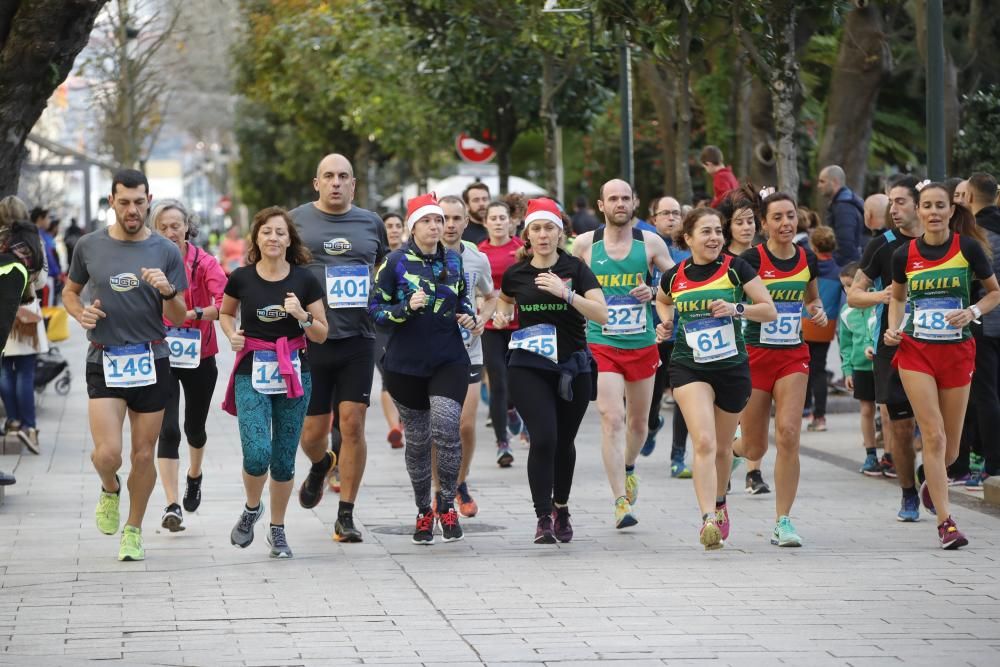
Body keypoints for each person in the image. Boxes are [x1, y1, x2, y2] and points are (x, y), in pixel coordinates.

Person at [63, 169, 189, 562]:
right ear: (112, 202)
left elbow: (181, 316)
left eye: (138, 201)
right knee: (108, 455)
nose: (132, 209)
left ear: (148, 199)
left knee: (141, 455)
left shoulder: (166, 251)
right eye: (124, 202)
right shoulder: (89, 246)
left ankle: (133, 530)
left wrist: (167, 291)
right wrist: (80, 313)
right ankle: (109, 489)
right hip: (105, 356)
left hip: (152, 358)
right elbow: (70, 292)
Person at [883, 181, 1000, 549]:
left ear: (952, 211)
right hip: (916, 353)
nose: (933, 212)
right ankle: (946, 523)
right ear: (919, 211)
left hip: (957, 352)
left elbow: (995, 292)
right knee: (932, 435)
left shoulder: (967, 249)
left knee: (949, 449)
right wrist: (893, 329)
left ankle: (931, 484)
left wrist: (973, 311)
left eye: (940, 206)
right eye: (927, 206)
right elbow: (897, 298)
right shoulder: (903, 255)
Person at [655, 208, 776, 549]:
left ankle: (720, 502)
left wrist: (737, 309)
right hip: (688, 365)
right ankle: (708, 517)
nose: (713, 238)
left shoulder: (736, 268)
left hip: (731, 368)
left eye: (717, 232)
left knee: (723, 447)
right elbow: (662, 300)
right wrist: (665, 322)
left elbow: (768, 309)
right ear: (688, 238)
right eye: (705, 232)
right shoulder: (675, 275)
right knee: (704, 442)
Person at [494, 198, 607, 542]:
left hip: (573, 366)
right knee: (544, 437)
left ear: (560, 233)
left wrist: (566, 294)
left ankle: (561, 505)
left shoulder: (576, 269)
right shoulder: (517, 273)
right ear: (527, 235)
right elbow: (505, 300)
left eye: (549, 228)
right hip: (529, 364)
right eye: (536, 229)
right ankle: (543, 516)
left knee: (564, 442)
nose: (543, 235)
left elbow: (602, 314)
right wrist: (501, 315)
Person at [220, 207, 328, 558]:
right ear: (256, 238)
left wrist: (302, 316)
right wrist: (230, 334)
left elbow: (322, 333)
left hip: (295, 373)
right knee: (257, 453)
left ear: (289, 239)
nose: (273, 238)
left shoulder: (305, 280)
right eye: (266, 231)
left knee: (283, 459)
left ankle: (278, 529)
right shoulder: (241, 278)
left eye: (280, 232)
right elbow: (225, 312)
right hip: (252, 371)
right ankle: (253, 508)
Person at [290, 153, 388, 543]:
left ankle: (346, 514)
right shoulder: (296, 221)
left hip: (358, 340)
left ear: (353, 184)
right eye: (328, 176)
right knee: (312, 433)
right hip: (311, 339)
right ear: (316, 183)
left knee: (352, 424)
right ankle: (320, 463)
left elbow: (382, 269)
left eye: (342, 176)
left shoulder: (371, 223)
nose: (335, 182)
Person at [369, 193, 477, 544]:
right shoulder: (395, 262)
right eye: (428, 221)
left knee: (447, 429)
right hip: (405, 364)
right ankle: (422, 510)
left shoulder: (455, 261)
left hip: (449, 358)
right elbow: (374, 312)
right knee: (417, 441)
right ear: (413, 226)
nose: (436, 226)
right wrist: (405, 307)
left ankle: (446, 502)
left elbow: (461, 298)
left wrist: (468, 316)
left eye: (440, 221)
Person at [572, 179, 674, 529]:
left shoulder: (651, 244)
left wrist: (655, 290)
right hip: (602, 343)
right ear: (601, 205)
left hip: (642, 343)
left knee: (638, 424)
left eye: (625, 198)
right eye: (612, 198)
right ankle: (619, 502)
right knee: (612, 418)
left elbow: (676, 285)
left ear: (635, 203)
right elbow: (566, 283)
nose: (619, 203)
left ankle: (629, 466)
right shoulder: (585, 245)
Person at [733, 191, 827, 547]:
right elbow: (732, 302)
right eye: (778, 217)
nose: (786, 223)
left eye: (791, 216)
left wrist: (816, 310)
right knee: (755, 447)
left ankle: (783, 521)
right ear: (764, 224)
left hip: (792, 355)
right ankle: (732, 454)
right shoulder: (750, 260)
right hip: (755, 356)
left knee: (788, 433)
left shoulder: (807, 259)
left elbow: (811, 298)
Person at [150, 199, 228, 532]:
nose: (170, 232)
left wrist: (191, 314)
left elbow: (224, 304)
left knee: (193, 428)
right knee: (167, 430)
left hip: (200, 354)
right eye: (163, 227)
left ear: (187, 227)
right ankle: (171, 505)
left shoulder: (205, 262)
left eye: (176, 226)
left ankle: (194, 475)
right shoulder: (148, 263)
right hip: (161, 354)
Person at [848, 175, 922, 519]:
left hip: (939, 344)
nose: (893, 208)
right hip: (892, 344)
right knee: (901, 425)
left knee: (944, 433)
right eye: (890, 202)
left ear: (918, 205)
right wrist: (882, 295)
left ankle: (933, 475)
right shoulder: (882, 245)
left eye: (901, 201)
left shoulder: (949, 245)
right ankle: (909, 494)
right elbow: (854, 294)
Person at [438, 195, 496, 517]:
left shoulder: (476, 258)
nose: (450, 225)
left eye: (456, 218)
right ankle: (438, 492)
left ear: (466, 222)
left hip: (469, 351)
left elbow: (490, 297)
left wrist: (482, 319)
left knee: (464, 426)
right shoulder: (421, 258)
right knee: (438, 427)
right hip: (433, 354)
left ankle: (459, 483)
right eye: (443, 218)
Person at [717, 186, 771, 495]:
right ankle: (726, 457)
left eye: (751, 220)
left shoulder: (765, 257)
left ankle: (754, 471)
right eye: (740, 222)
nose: (747, 227)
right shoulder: (721, 260)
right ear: (728, 226)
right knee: (735, 411)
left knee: (757, 413)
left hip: (764, 341)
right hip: (730, 343)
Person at [641, 196, 692, 478]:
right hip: (652, 334)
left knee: (683, 395)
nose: (672, 217)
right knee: (651, 397)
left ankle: (677, 457)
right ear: (654, 219)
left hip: (684, 333)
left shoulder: (688, 251)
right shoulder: (645, 248)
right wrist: (648, 292)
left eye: (676, 212)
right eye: (666, 213)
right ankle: (651, 425)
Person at [478, 200, 525, 466]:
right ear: (485, 223)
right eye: (492, 218)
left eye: (502, 217)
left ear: (510, 221)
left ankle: (512, 408)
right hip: (491, 327)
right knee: (497, 382)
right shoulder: (479, 252)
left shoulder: (521, 249)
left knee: (517, 381)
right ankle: (502, 443)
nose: (497, 222)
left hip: (519, 325)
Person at [0, 219, 45, 485]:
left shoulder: (5, 260)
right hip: (13, 333)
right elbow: (4, 318)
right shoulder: (16, 269)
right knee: (22, 375)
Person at [963, 172, 1000, 486]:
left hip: (984, 321)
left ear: (971, 198)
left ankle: (992, 463)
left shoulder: (976, 235)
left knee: (986, 394)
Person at [837, 262, 879, 475]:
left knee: (888, 414)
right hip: (860, 368)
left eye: (849, 284)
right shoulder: (845, 312)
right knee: (866, 410)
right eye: (843, 286)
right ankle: (871, 455)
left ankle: (890, 455)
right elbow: (844, 344)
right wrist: (847, 370)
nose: (846, 291)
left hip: (881, 366)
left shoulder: (877, 303)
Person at [802, 226, 842, 432]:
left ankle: (806, 407)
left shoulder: (808, 268)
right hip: (827, 324)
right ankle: (820, 415)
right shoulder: (838, 271)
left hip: (805, 322)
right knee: (819, 369)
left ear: (813, 245)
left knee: (804, 367)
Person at [374, 212, 407, 451]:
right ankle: (393, 426)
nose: (394, 230)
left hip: (406, 324)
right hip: (380, 326)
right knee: (387, 374)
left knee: (403, 376)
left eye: (398, 226)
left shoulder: (411, 255)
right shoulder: (375, 258)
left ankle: (404, 416)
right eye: (389, 226)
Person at [817, 165, 865, 266]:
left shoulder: (843, 207)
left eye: (822, 181)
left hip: (845, 269)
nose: (819, 185)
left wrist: (838, 271)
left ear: (834, 182)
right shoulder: (841, 203)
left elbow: (845, 245)